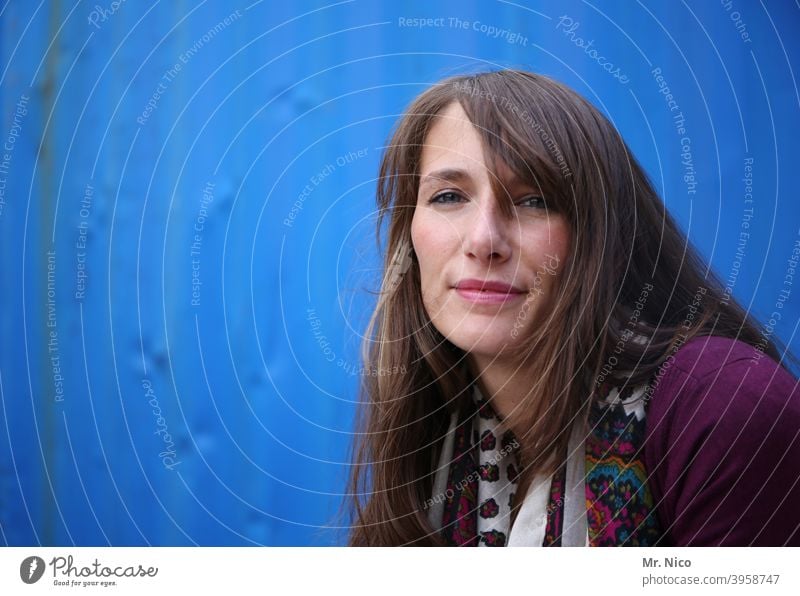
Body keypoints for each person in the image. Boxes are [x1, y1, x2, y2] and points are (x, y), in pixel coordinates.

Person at [346, 69, 800, 546]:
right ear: (409, 237)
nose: (483, 241)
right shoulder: (436, 427)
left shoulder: (727, 404)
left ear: (599, 238)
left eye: (534, 201)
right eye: (449, 196)